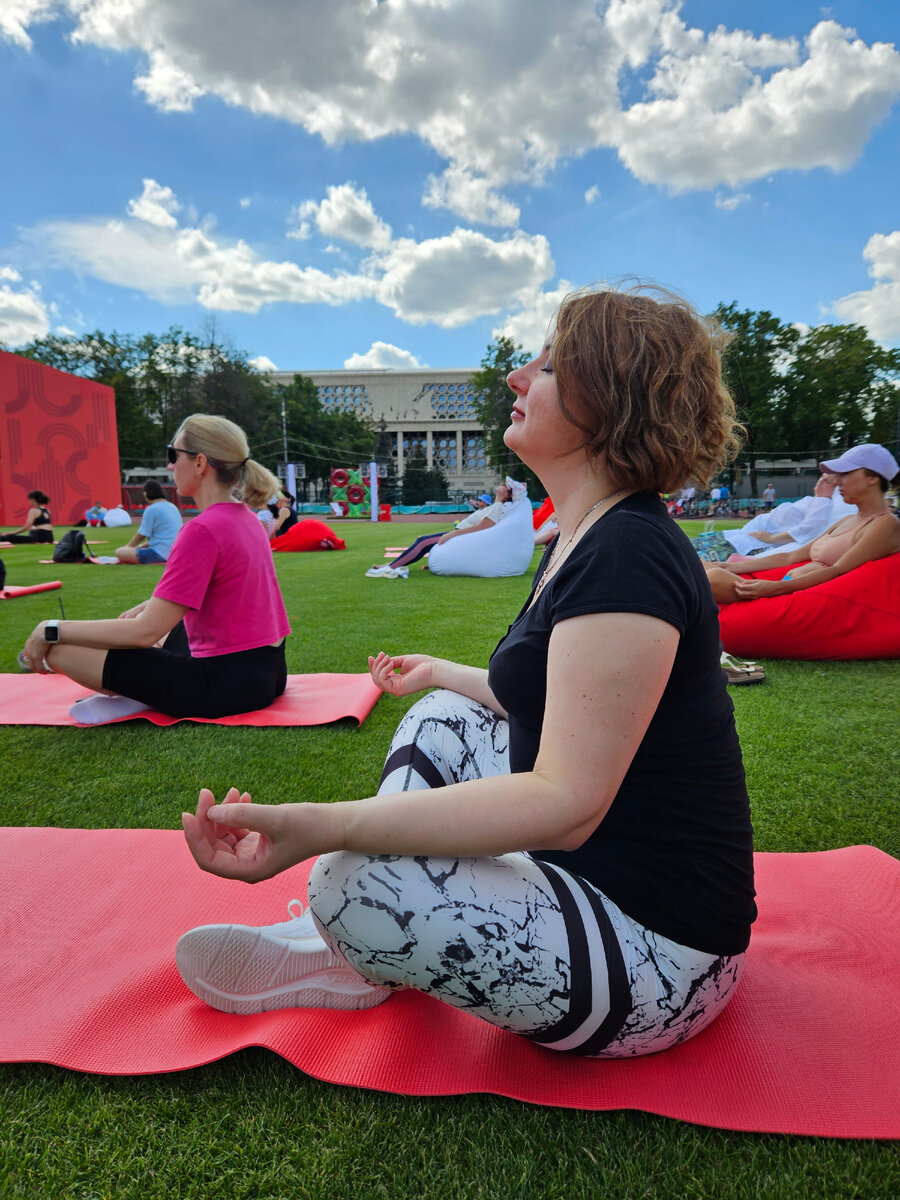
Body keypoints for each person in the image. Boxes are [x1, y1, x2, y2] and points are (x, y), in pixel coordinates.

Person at [175, 285, 756, 1060]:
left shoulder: (630, 554)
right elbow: (553, 700)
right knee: (440, 713)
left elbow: (566, 804)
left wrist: (320, 823)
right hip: (589, 879)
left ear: (609, 400)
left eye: (547, 367)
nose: (517, 377)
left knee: (347, 880)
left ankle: (352, 938)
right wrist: (441, 670)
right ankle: (362, 954)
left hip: (660, 957)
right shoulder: (585, 533)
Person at [20, 415, 291, 721]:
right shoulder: (246, 518)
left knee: (59, 648)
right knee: (151, 628)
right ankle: (142, 687)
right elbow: (229, 589)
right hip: (269, 673)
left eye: (173, 455)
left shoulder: (202, 529)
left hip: (225, 685)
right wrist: (150, 604)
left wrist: (52, 628)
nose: (171, 466)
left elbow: (143, 633)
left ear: (200, 463)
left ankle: (141, 693)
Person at [706, 444, 900, 604]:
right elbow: (791, 557)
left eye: (845, 473)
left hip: (799, 598)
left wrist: (773, 588)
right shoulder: (847, 520)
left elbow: (839, 571)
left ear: (873, 478)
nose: (837, 481)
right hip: (788, 587)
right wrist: (730, 567)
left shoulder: (885, 524)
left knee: (711, 578)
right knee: (700, 566)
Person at [365, 482, 515, 578]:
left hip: (460, 537)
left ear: (507, 495)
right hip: (459, 534)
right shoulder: (493, 507)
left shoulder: (497, 507)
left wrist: (452, 534)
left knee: (423, 542)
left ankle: (391, 567)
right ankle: (393, 564)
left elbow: (482, 527)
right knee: (423, 540)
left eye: (506, 486)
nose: (503, 483)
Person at [115, 480, 182, 564]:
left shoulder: (151, 509)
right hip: (174, 553)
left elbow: (141, 535)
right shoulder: (173, 507)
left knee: (119, 552)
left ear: (145, 494)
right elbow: (168, 536)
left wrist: (128, 548)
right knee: (141, 547)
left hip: (160, 554)